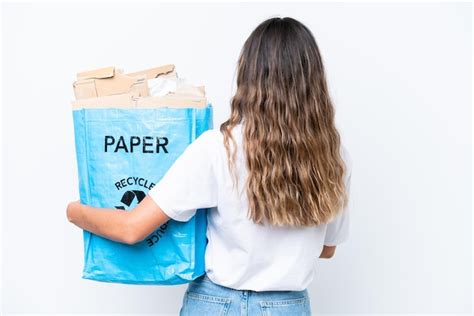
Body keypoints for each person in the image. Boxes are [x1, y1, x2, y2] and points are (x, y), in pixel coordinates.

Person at [67, 16, 352, 316]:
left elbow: (132, 228)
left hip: (216, 306)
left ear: (249, 76)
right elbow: (327, 248)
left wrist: (74, 212)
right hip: (287, 307)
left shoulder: (219, 148)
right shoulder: (334, 156)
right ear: (314, 81)